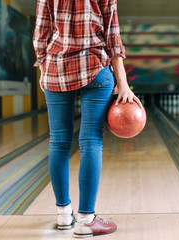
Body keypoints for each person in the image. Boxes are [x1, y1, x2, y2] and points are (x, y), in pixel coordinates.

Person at [33, 0, 141, 237]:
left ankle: (63, 215)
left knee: (59, 143)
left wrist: (45, 71)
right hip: (94, 68)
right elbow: (113, 35)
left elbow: (41, 33)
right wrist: (123, 84)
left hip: (56, 69)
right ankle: (86, 219)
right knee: (91, 141)